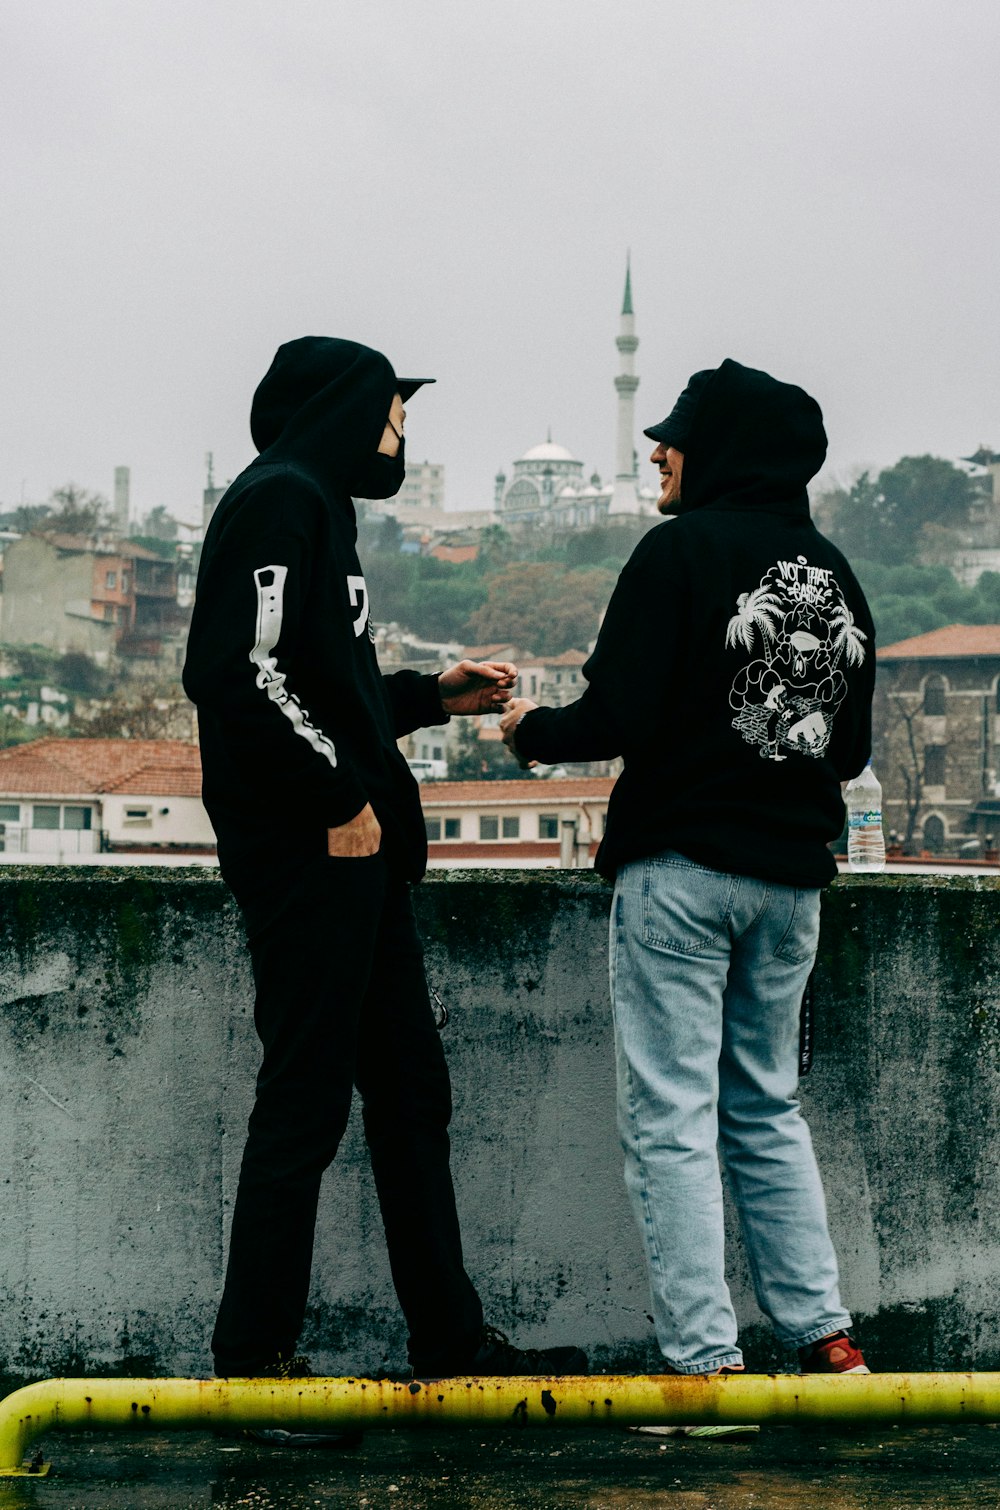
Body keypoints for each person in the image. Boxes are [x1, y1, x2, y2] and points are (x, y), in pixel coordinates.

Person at [183, 336, 586, 1384]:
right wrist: (338, 798)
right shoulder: (280, 499)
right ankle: (253, 1360)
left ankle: (449, 1341)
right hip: (313, 852)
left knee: (410, 1096)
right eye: (395, 410)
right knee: (305, 1102)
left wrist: (426, 695)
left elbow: (327, 688)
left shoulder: (321, 509)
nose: (403, 431)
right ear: (347, 407)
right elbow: (232, 669)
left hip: (358, 859)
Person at [500, 359, 876, 1377]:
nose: (655, 450)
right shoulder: (836, 573)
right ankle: (821, 1334)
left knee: (671, 1118)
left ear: (717, 451)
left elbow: (611, 716)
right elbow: (845, 751)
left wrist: (526, 729)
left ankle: (705, 1362)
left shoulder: (676, 554)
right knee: (764, 1107)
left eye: (674, 438)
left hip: (679, 870)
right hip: (790, 880)